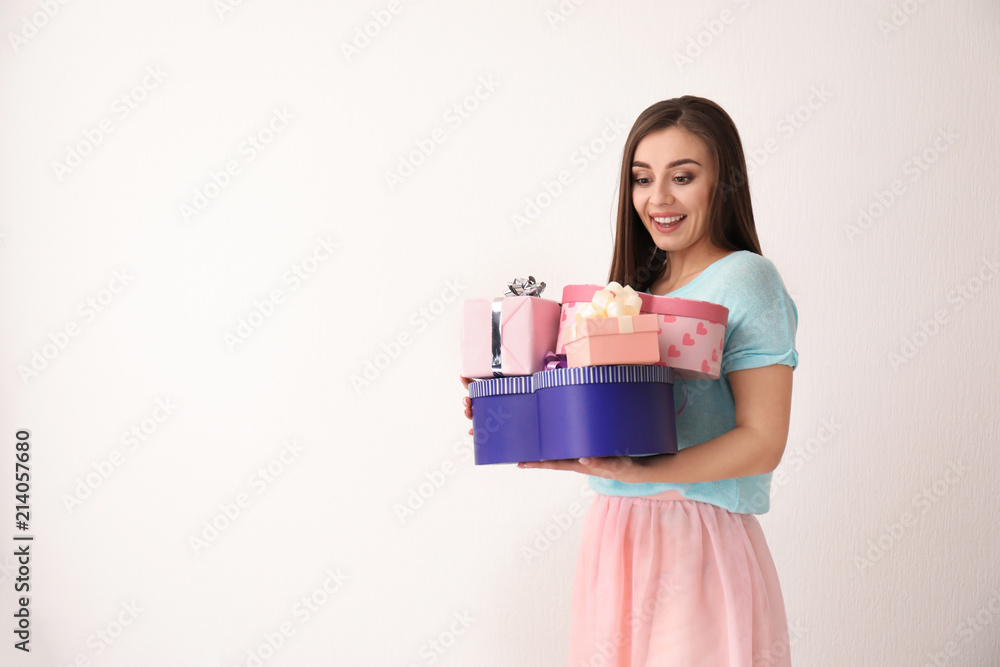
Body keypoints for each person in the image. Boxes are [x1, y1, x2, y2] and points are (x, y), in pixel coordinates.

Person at [461, 95, 798, 666]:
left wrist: (640, 471)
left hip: (694, 536)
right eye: (642, 179)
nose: (658, 198)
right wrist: (521, 407)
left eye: (683, 176)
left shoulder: (747, 279)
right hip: (615, 533)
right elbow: (613, 422)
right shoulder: (630, 290)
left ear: (725, 183)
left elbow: (763, 441)